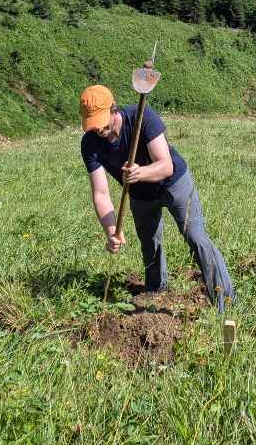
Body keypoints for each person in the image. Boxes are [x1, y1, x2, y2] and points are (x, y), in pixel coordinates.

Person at [80, 79, 235, 312]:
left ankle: (226, 301)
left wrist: (139, 172)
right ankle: (155, 295)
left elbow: (166, 166)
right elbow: (101, 193)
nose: (99, 130)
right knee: (149, 244)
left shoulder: (142, 118)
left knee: (196, 237)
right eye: (92, 125)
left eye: (101, 122)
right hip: (141, 195)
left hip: (174, 184)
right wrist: (112, 232)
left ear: (114, 109)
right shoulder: (90, 144)